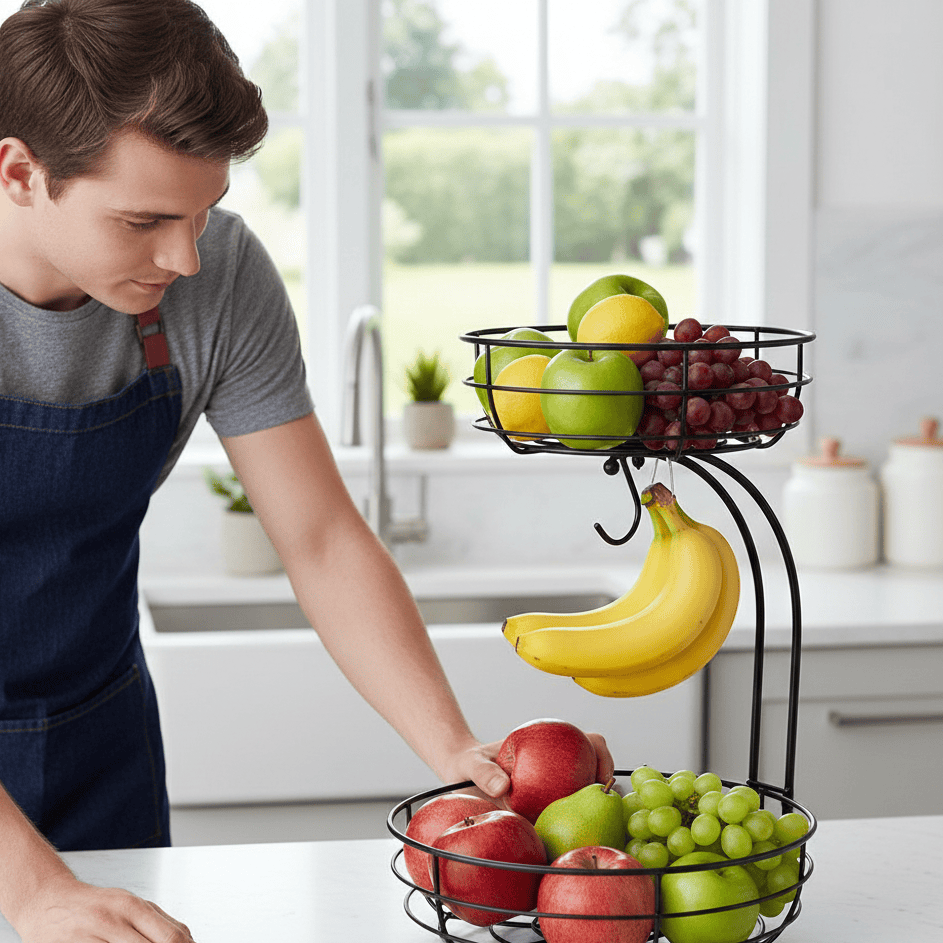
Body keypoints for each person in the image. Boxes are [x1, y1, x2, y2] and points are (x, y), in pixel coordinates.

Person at [0, 2, 612, 941]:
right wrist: (31, 888)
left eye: (202, 212)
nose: (184, 257)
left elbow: (321, 539)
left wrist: (455, 749)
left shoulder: (217, 275)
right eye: (143, 220)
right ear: (18, 172)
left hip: (98, 737)